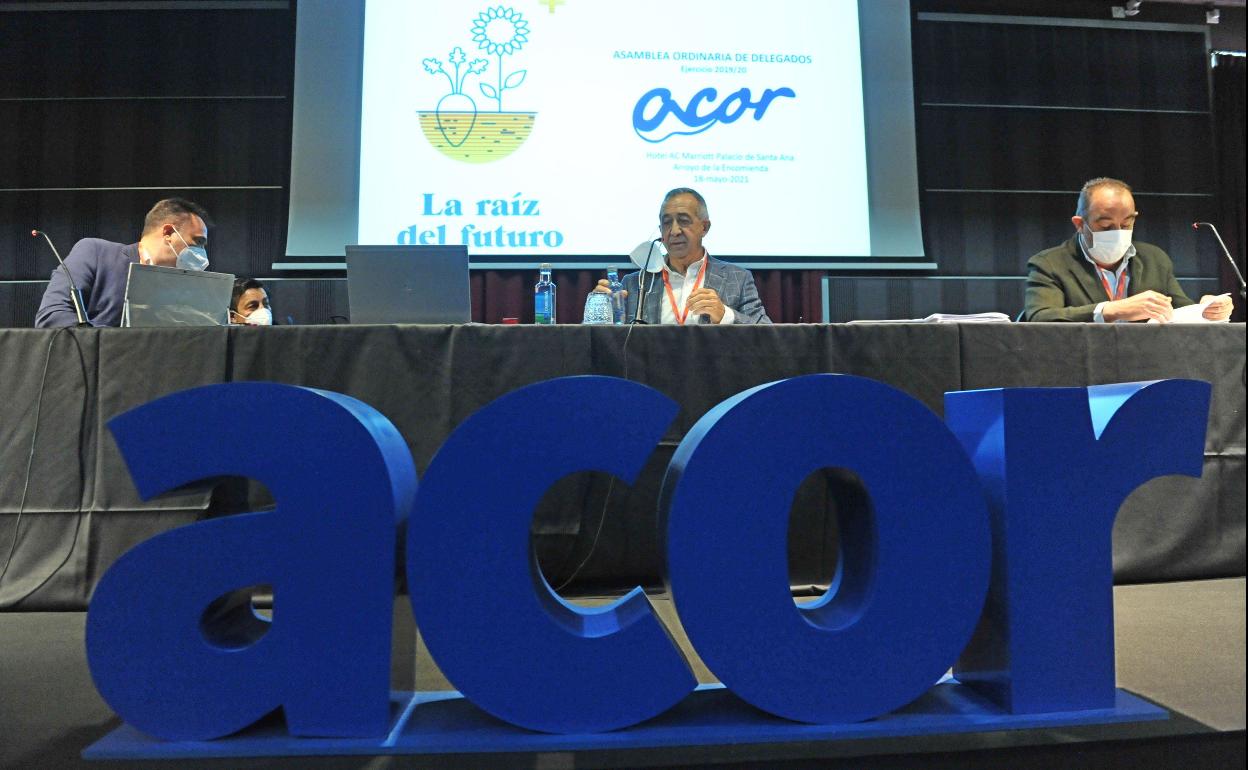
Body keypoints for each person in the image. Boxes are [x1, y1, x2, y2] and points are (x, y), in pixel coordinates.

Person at [1022, 178, 1233, 323]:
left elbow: (1179, 311)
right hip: (1079, 369)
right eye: (1105, 226)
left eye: (1126, 225)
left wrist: (1206, 310)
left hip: (1145, 365)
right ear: (1079, 224)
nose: (1117, 232)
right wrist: (1112, 310)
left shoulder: (1154, 259)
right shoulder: (1049, 264)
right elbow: (1040, 318)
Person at [592, 188, 771, 324]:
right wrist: (600, 310)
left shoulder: (737, 279)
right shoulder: (634, 284)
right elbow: (609, 340)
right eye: (667, 223)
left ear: (705, 227)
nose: (674, 231)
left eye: (683, 221)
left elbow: (767, 333)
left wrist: (725, 314)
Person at [35, 198, 211, 328]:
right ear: (168, 232)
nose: (201, 253)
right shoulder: (95, 253)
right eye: (198, 242)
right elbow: (51, 315)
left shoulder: (185, 288)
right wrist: (121, 341)